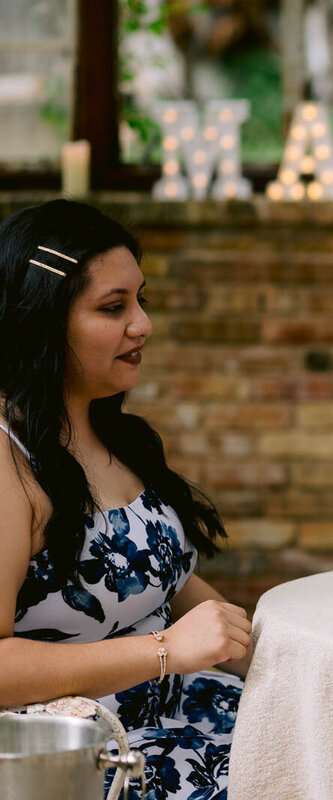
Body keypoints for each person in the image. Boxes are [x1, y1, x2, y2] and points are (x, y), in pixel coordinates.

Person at [0, 200, 252, 799]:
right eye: (114, 308)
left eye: (141, 300)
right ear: (42, 321)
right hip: (89, 760)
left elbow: (183, 593)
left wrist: (289, 664)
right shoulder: (7, 463)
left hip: (186, 714)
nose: (142, 324)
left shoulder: (113, 433)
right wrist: (166, 650)